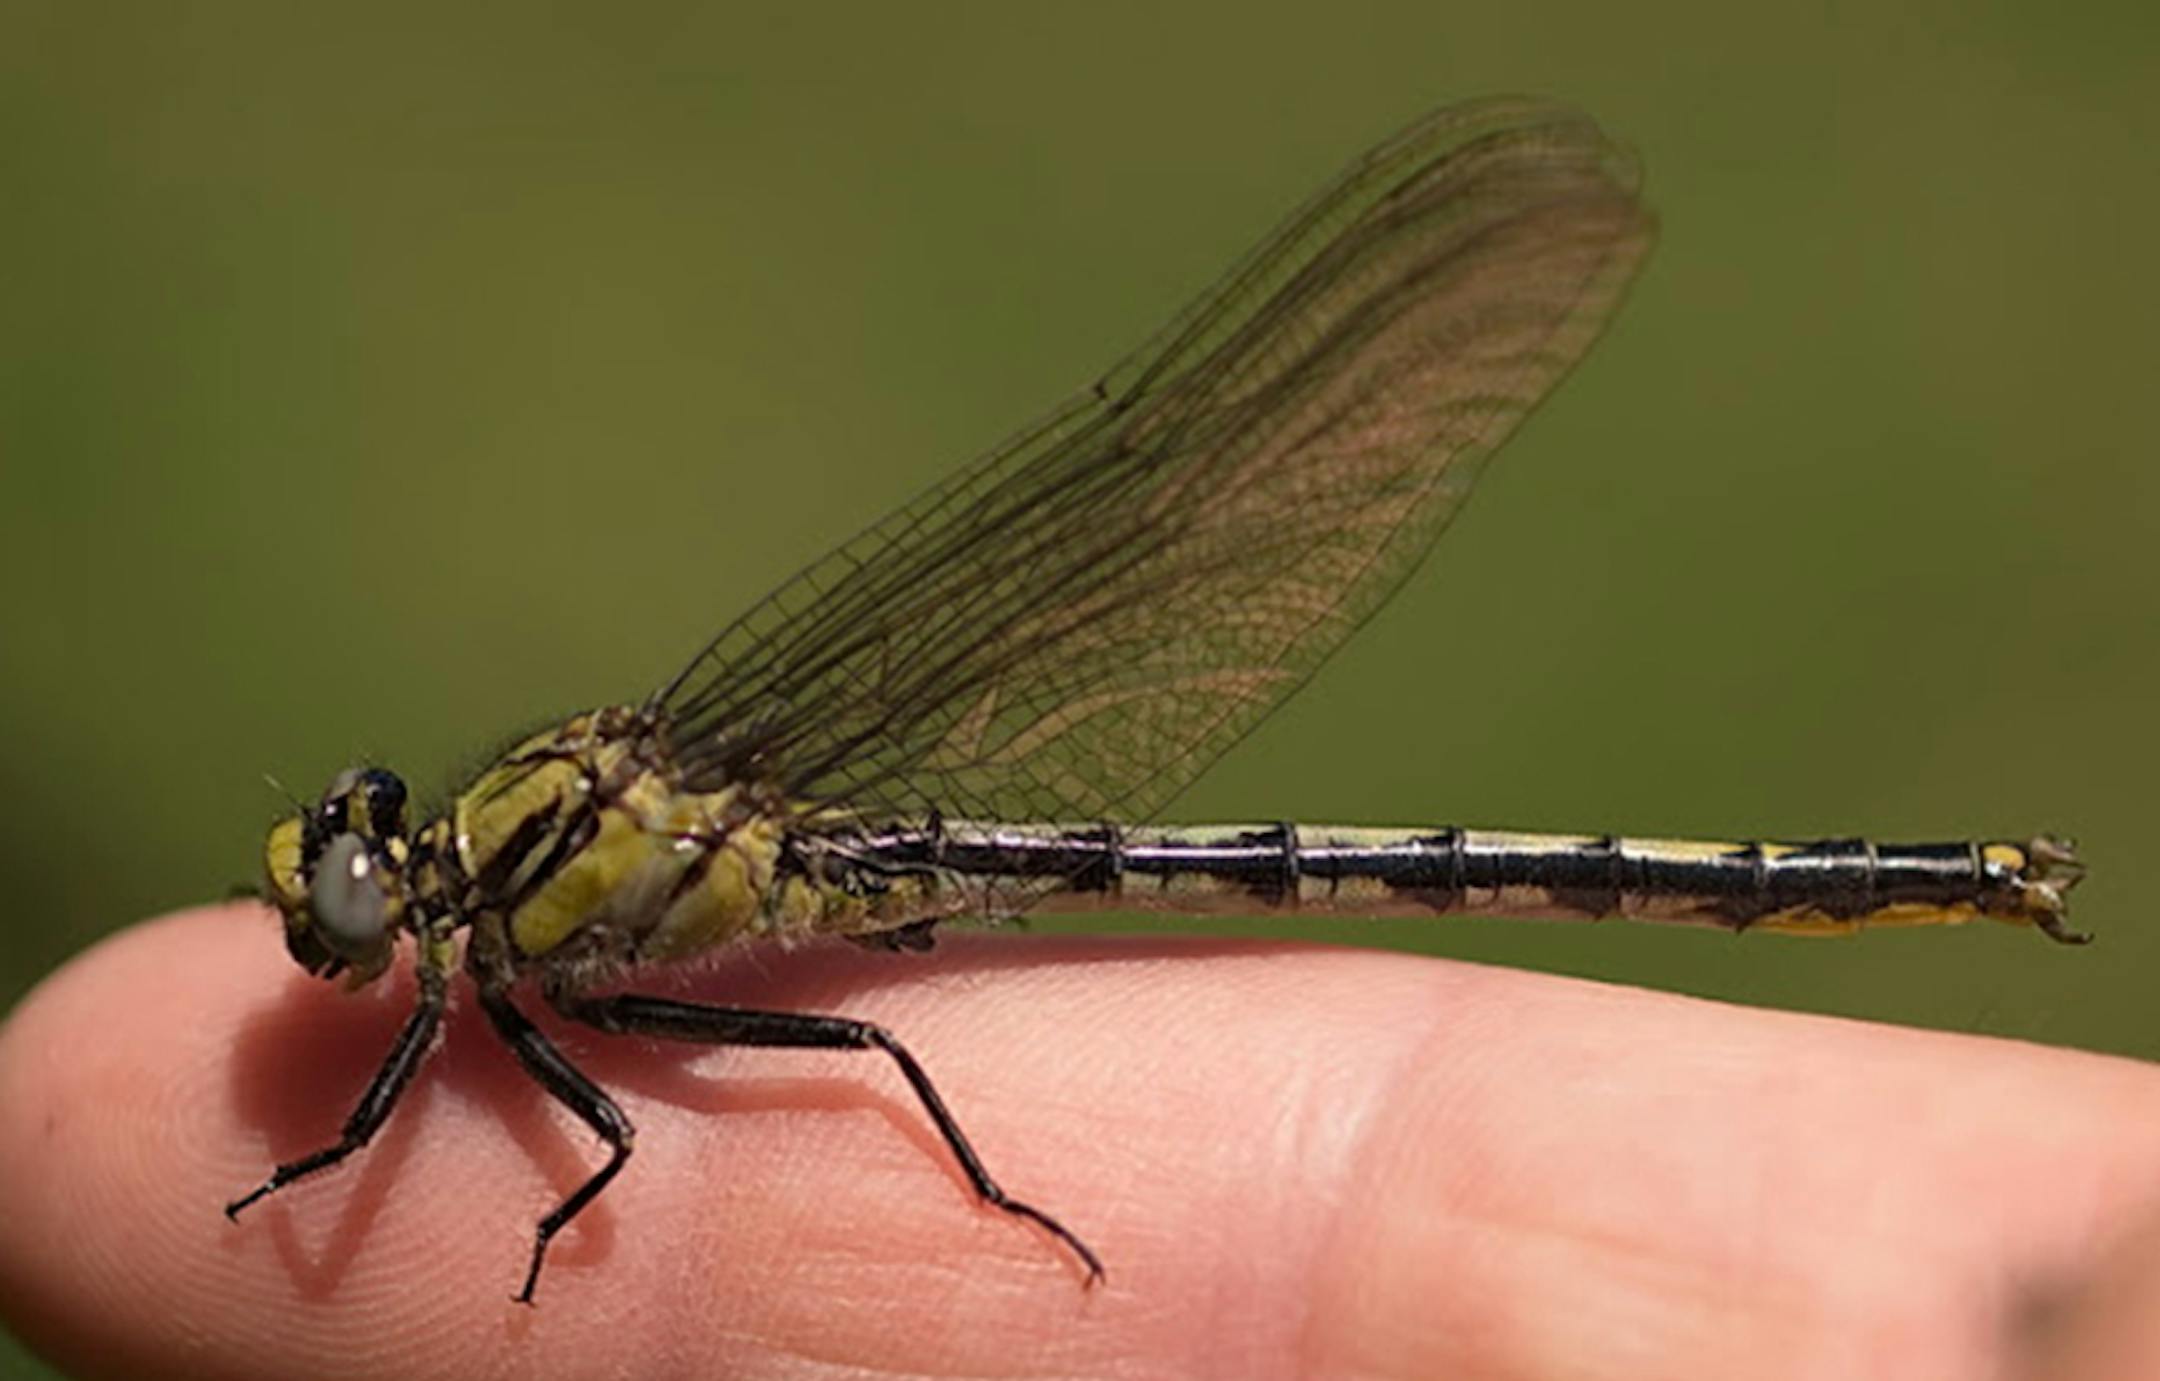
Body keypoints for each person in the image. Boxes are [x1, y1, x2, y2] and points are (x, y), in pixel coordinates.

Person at [2, 903, 2158, 1379]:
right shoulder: (483, 966)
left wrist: (307, 1185)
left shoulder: (479, 970)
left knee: (858, 1034)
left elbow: (610, 1157)